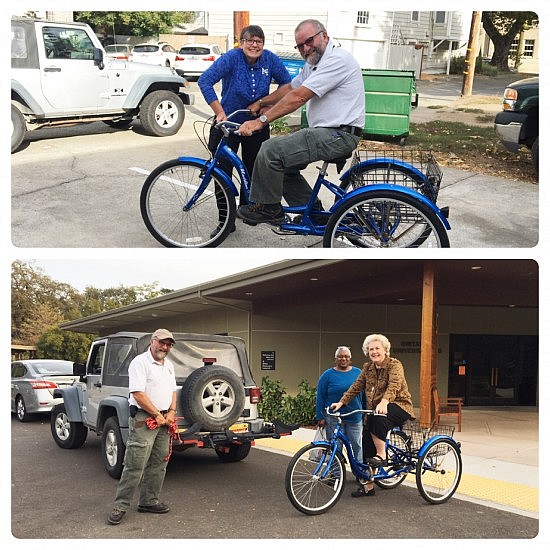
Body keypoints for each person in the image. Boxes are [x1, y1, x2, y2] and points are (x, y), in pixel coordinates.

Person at [236, 19, 365, 224]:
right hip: (328, 133)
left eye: (309, 41)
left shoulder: (337, 60)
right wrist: (261, 102)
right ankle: (313, 214)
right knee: (282, 167)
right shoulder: (314, 64)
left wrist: (261, 120)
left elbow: (299, 97)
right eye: (300, 46)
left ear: (324, 36)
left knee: (270, 150)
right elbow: (290, 89)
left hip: (338, 134)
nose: (305, 48)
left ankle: (269, 209)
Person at [198, 25, 292, 234]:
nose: (254, 45)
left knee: (252, 171)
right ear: (241, 43)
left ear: (263, 45)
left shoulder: (270, 59)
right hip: (228, 125)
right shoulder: (231, 58)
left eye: (259, 41)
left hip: (256, 126)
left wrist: (266, 103)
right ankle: (225, 222)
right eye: (249, 40)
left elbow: (288, 85)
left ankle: (247, 211)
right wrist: (219, 111)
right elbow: (205, 81)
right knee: (222, 174)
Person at [108, 329, 178, 525]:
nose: (165, 347)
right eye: (162, 343)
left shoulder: (169, 366)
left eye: (169, 344)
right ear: (153, 341)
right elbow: (138, 393)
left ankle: (148, 501)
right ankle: (120, 505)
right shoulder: (140, 362)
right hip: (145, 419)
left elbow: (173, 390)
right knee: (134, 464)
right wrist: (157, 415)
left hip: (165, 420)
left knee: (159, 463)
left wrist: (171, 412)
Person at [331, 334, 414, 498]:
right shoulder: (368, 368)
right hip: (378, 409)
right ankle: (368, 486)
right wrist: (341, 403)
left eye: (377, 348)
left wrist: (384, 402)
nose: (374, 352)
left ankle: (382, 455)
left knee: (376, 418)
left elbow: (394, 385)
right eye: (371, 349)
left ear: (385, 350)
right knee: (366, 439)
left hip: (399, 405)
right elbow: (356, 386)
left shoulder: (394, 365)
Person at [316, 346, 366, 463]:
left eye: (346, 356)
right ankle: (335, 474)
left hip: (354, 416)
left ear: (350, 358)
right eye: (340, 356)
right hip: (334, 417)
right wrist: (320, 416)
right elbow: (320, 396)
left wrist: (364, 413)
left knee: (357, 446)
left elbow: (364, 395)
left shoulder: (358, 373)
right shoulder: (327, 375)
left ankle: (360, 472)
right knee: (335, 447)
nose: (343, 359)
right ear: (336, 359)